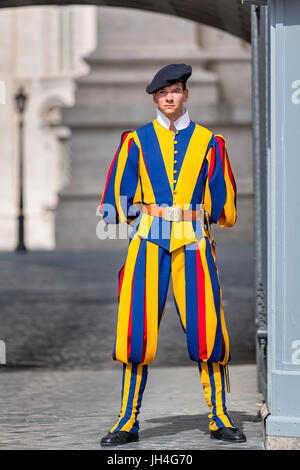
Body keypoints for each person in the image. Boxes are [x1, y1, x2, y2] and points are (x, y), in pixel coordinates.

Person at [98, 63, 246, 446]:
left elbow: (225, 205)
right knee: (135, 331)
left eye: (176, 90)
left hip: (194, 243)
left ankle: (219, 417)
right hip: (148, 242)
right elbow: (115, 199)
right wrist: (143, 212)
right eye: (163, 92)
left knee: (208, 328)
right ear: (154, 97)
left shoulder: (210, 142)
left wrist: (198, 215)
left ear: (185, 95)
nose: (169, 97)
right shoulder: (135, 140)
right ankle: (126, 421)